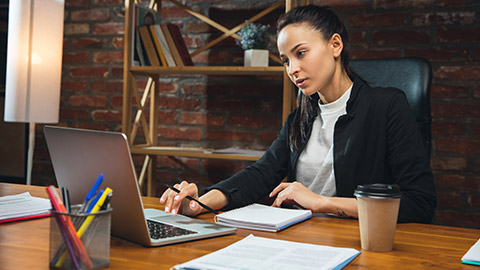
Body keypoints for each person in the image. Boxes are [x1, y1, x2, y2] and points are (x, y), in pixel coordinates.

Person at [160, 5, 437, 223]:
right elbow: (260, 174)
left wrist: (321, 202)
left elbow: (419, 203)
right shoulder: (299, 119)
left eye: (301, 53)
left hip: (359, 246)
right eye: (286, 60)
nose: (292, 69)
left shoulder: (387, 106)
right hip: (300, 242)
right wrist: (200, 203)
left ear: (335, 45)